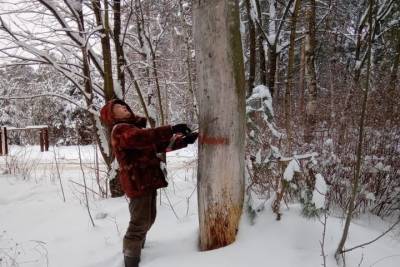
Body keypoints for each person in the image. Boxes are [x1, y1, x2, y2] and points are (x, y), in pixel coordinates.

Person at [100, 99, 198, 267]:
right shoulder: (120, 130)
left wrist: (184, 140)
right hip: (137, 183)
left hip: (146, 181)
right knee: (139, 223)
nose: (124, 107)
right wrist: (172, 129)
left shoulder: (134, 129)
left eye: (124, 105)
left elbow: (157, 144)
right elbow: (141, 137)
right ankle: (131, 260)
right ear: (111, 116)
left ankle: (138, 249)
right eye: (118, 108)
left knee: (148, 219)